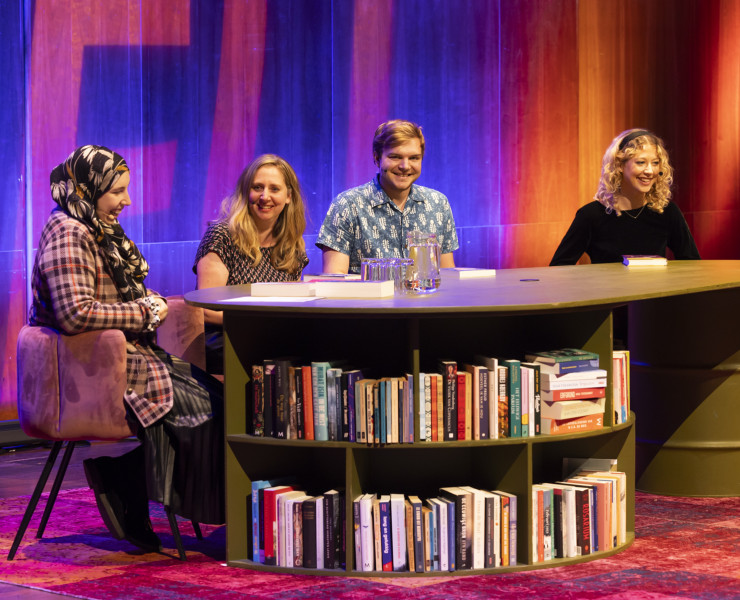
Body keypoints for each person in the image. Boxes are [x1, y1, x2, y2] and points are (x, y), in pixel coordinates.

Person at [29, 145, 224, 553]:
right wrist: (144, 311)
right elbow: (75, 313)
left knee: (224, 403)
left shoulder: (96, 226)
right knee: (204, 410)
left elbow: (111, 293)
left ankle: (124, 479)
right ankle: (126, 485)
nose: (127, 201)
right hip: (97, 368)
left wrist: (149, 301)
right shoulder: (69, 232)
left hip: (130, 355)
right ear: (88, 188)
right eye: (117, 191)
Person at [194, 154, 308, 373]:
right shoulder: (222, 235)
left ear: (288, 197)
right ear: (246, 192)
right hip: (224, 336)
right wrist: (259, 324)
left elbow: (291, 306)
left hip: (272, 336)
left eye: (274, 189)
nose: (265, 196)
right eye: (257, 187)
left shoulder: (292, 244)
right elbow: (205, 310)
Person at [316, 119, 459, 274]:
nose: (405, 166)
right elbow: (335, 280)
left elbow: (448, 277)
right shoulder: (348, 205)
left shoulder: (438, 203)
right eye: (395, 157)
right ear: (377, 158)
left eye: (413, 158)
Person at [550, 128, 700, 265]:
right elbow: (559, 267)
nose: (650, 171)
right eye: (641, 162)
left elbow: (692, 263)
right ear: (620, 165)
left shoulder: (667, 211)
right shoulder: (590, 215)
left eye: (655, 163)